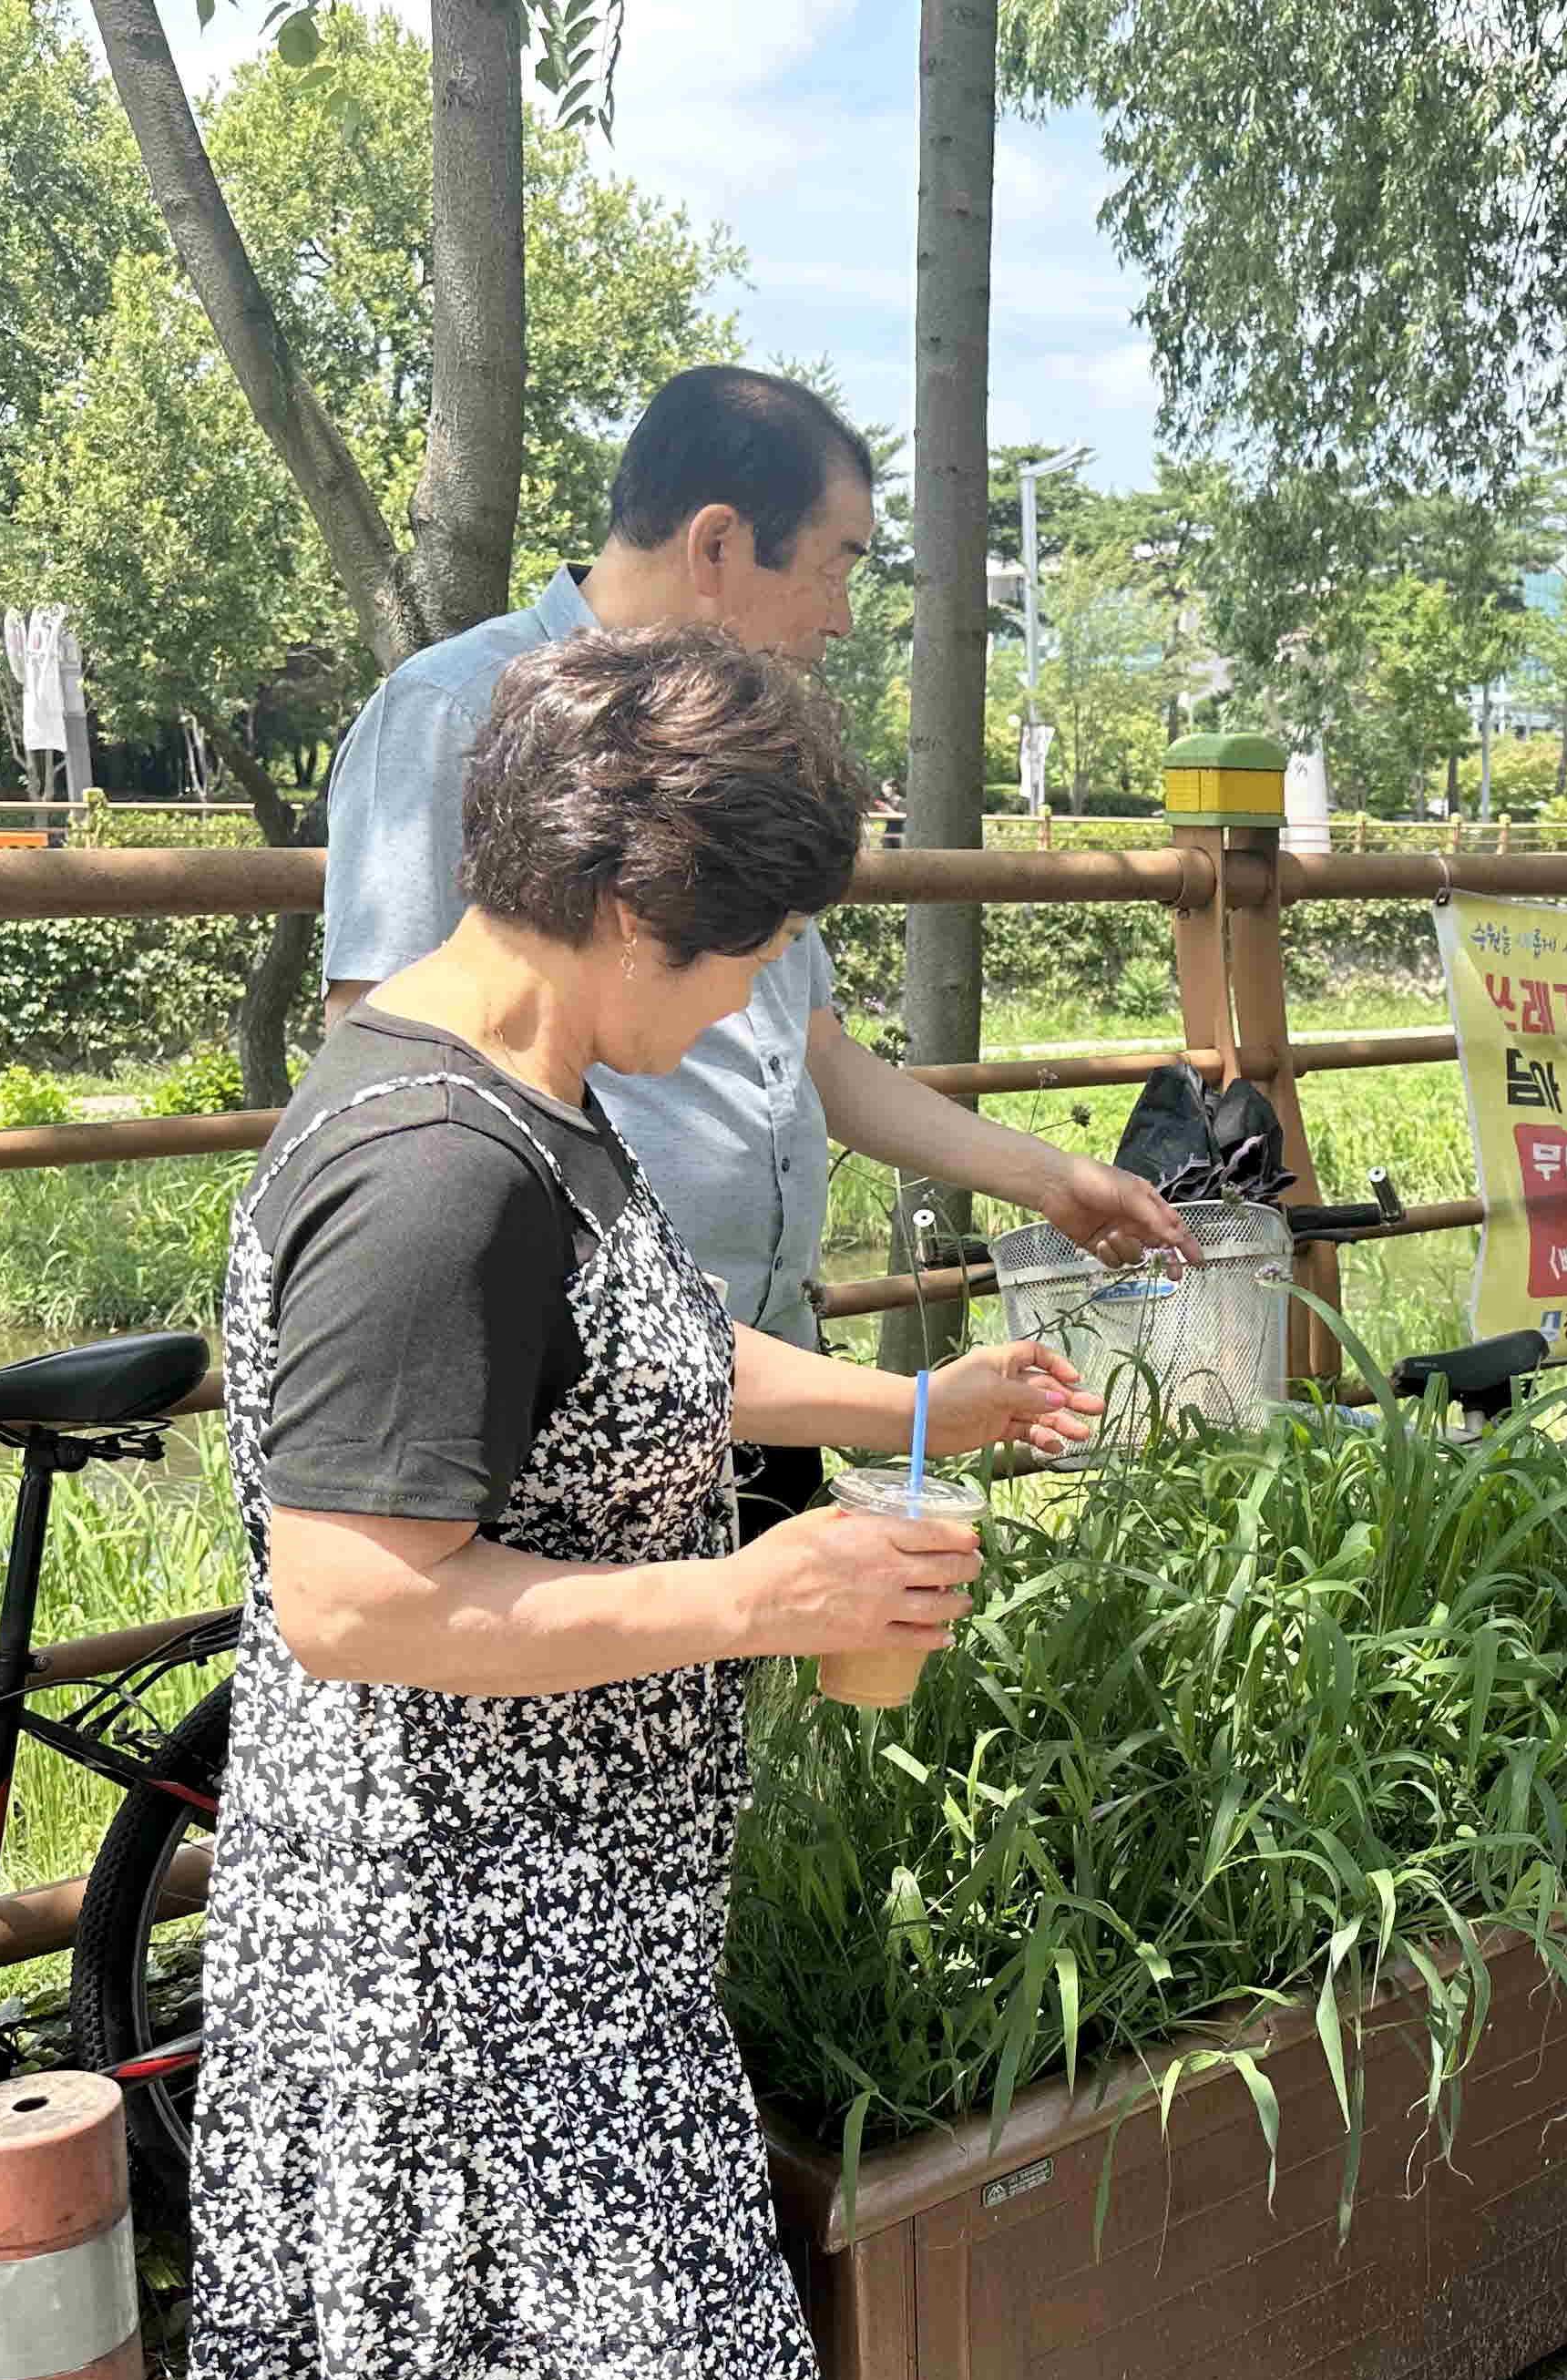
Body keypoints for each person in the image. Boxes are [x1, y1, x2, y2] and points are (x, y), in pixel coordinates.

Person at [187, 629, 1102, 2380]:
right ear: (629, 905)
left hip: (575, 1943)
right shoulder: (433, 1167)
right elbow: (356, 1592)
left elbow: (637, 1347)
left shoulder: (541, 1090)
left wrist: (915, 1407)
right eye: (755, 947)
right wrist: (755, 1595)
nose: (765, 995)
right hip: (459, 1993)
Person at [321, 364, 1186, 1539]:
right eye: (835, 564)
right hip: (575, 1376)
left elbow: (806, 1050)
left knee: (719, 1694)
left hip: (757, 1359)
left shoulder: (735, 748)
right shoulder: (454, 714)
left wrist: (1048, 1178)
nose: (839, 615)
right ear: (720, 543)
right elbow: (387, 1066)